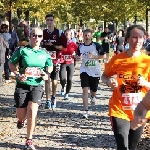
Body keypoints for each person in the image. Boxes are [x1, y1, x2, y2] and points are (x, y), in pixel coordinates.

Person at [101, 25, 150, 150]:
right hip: (119, 110)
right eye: (134, 37)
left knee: (132, 147)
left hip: (140, 111)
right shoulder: (117, 59)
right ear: (127, 39)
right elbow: (105, 76)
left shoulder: (147, 61)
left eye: (140, 37)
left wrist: (145, 83)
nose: (138, 41)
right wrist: (108, 82)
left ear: (144, 39)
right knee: (122, 146)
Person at [9, 27, 53, 150]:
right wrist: (17, 75)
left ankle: (29, 140)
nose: (36, 38)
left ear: (42, 38)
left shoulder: (44, 53)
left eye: (39, 36)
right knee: (21, 114)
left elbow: (50, 66)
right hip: (22, 85)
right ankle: (21, 121)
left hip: (37, 85)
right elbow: (11, 63)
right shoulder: (22, 50)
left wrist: (46, 74)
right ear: (30, 36)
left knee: (32, 110)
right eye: (34, 35)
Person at [76, 29, 105, 119]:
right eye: (85, 35)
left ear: (91, 36)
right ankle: (86, 111)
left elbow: (103, 55)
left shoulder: (96, 45)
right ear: (83, 36)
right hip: (84, 70)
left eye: (88, 35)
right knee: (85, 89)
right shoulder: (80, 46)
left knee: (94, 89)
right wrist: (77, 57)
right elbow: (77, 56)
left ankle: (93, 96)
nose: (87, 37)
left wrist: (93, 57)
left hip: (95, 70)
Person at [42, 13, 67, 109]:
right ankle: (48, 100)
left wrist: (53, 46)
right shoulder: (43, 33)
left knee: (54, 80)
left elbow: (64, 47)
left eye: (51, 20)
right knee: (46, 79)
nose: (49, 22)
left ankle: (53, 97)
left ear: (54, 21)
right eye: (47, 20)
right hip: (45, 60)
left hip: (56, 59)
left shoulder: (59, 33)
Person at [59, 29, 78, 100]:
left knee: (69, 79)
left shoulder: (73, 44)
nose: (66, 35)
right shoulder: (61, 43)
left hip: (71, 63)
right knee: (62, 78)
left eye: (68, 34)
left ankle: (67, 94)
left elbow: (78, 52)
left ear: (71, 36)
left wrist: (76, 55)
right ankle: (63, 86)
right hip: (63, 63)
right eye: (65, 34)